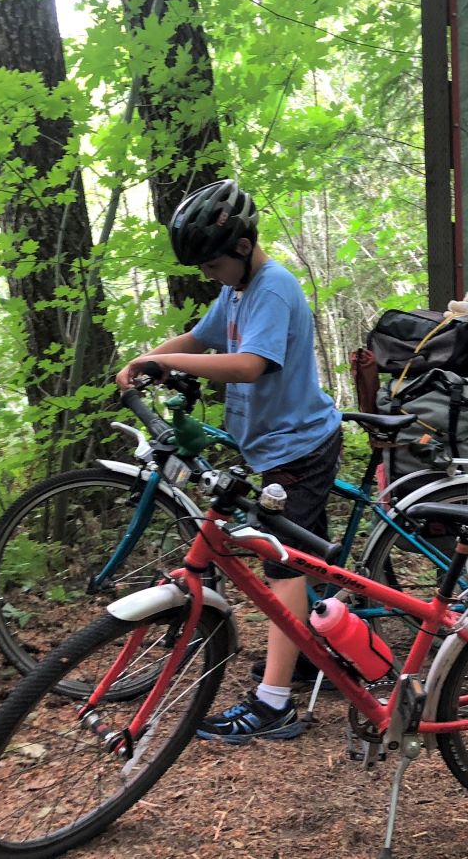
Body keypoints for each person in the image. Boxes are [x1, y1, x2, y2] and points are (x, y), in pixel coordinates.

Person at [116, 179, 342, 740]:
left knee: (283, 568)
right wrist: (146, 360)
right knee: (306, 560)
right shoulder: (237, 291)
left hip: (298, 446)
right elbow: (199, 338)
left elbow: (249, 365)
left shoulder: (273, 288)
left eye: (212, 264)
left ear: (242, 247)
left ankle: (274, 704)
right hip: (275, 444)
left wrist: (170, 364)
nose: (208, 275)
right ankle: (319, 650)